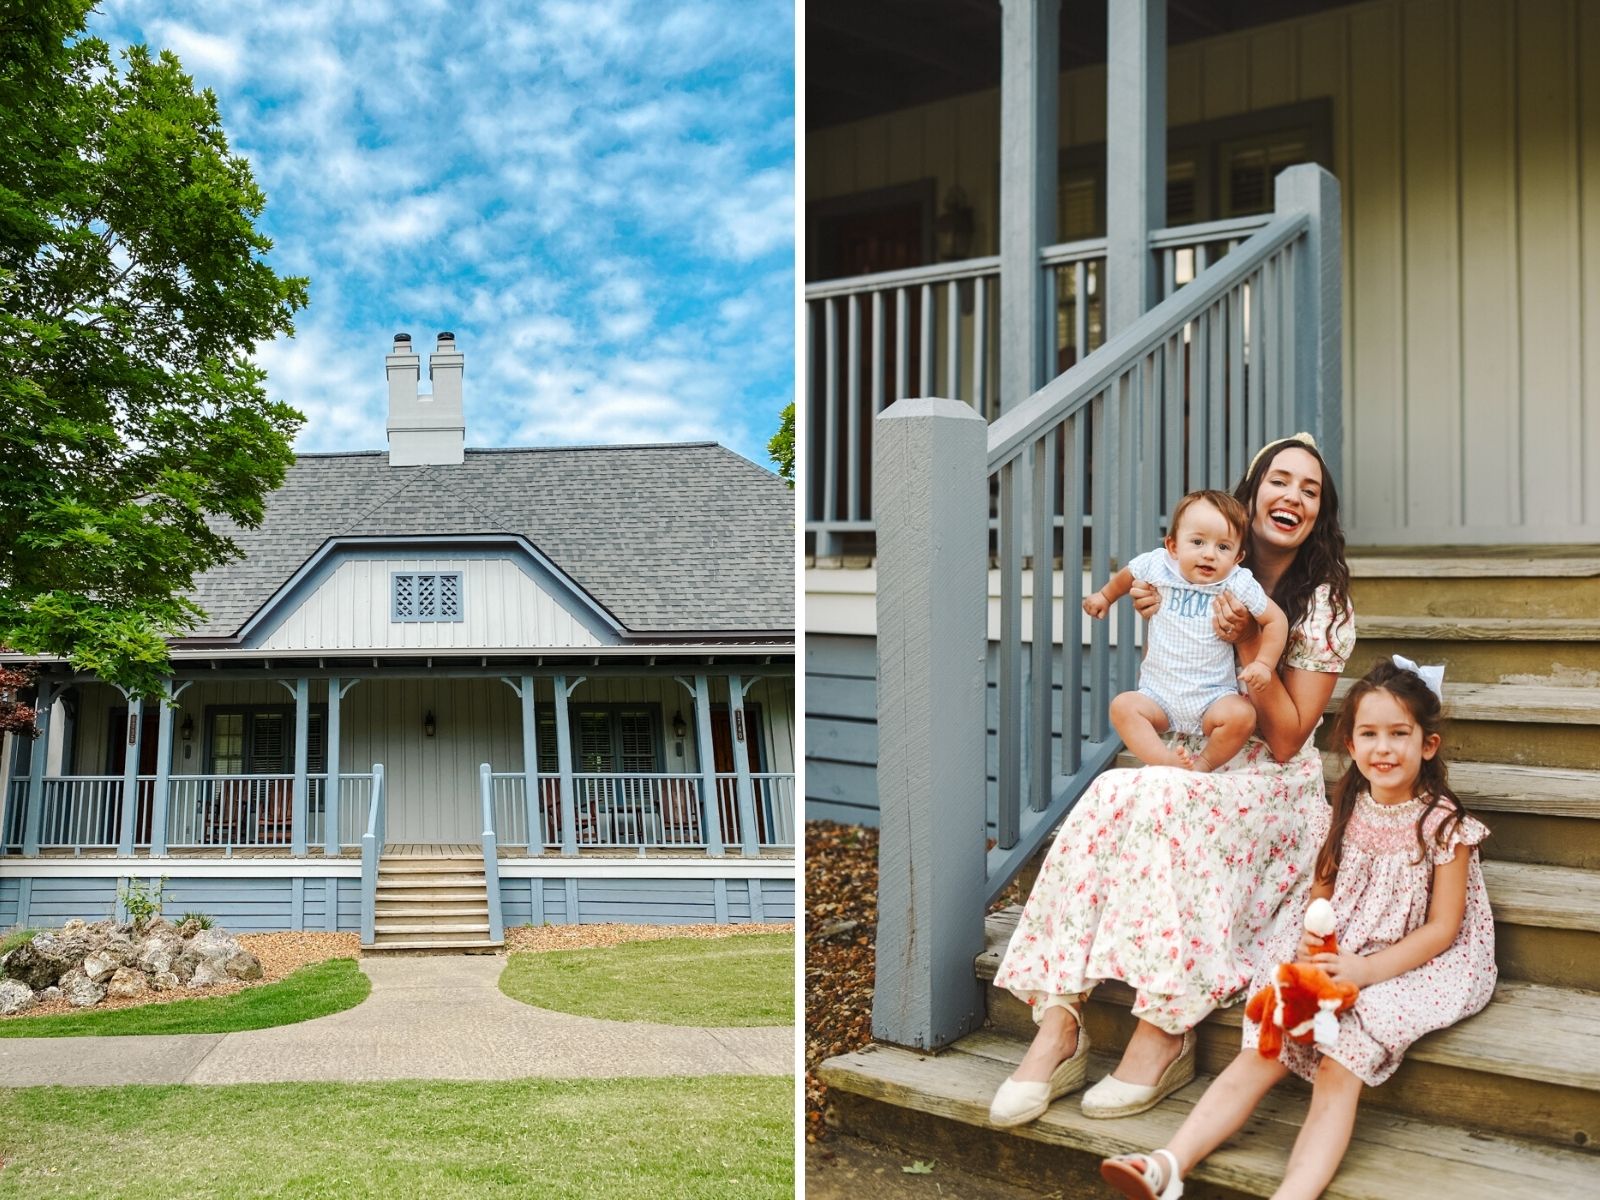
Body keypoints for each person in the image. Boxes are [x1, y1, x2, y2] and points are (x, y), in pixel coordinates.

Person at [988, 433, 1355, 1129]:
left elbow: (1286, 737)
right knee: (1112, 792)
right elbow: (1174, 672)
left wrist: (1250, 643)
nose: (1293, 497)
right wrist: (1162, 618)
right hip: (1190, 755)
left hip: (1270, 780)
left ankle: (1164, 1030)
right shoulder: (1190, 565)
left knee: (1158, 794)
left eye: (1310, 490)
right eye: (1280, 481)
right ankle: (1059, 1025)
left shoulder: (1322, 603)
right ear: (1250, 501)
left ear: (1320, 513)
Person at [1098, 657, 1495, 1200]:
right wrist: (1317, 934)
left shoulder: (1445, 824)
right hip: (1343, 949)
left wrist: (1365, 970)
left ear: (1428, 744)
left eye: (1399, 734)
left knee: (1340, 1057)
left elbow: (1443, 930)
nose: (1384, 748)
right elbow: (1323, 887)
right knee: (1267, 1039)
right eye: (1369, 735)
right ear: (1351, 747)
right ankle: (1168, 1163)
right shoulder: (1347, 805)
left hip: (1412, 964)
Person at [1083, 488, 1288, 774]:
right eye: (1198, 542)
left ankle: (1202, 765)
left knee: (1243, 715)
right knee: (1122, 707)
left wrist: (1264, 664)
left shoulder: (1237, 582)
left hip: (1212, 698)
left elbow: (1276, 620)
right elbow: (1129, 573)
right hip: (1158, 696)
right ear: (1173, 546)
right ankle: (1164, 760)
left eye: (1223, 547)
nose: (1209, 554)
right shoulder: (1158, 566)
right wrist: (1104, 596)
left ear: (1238, 556)